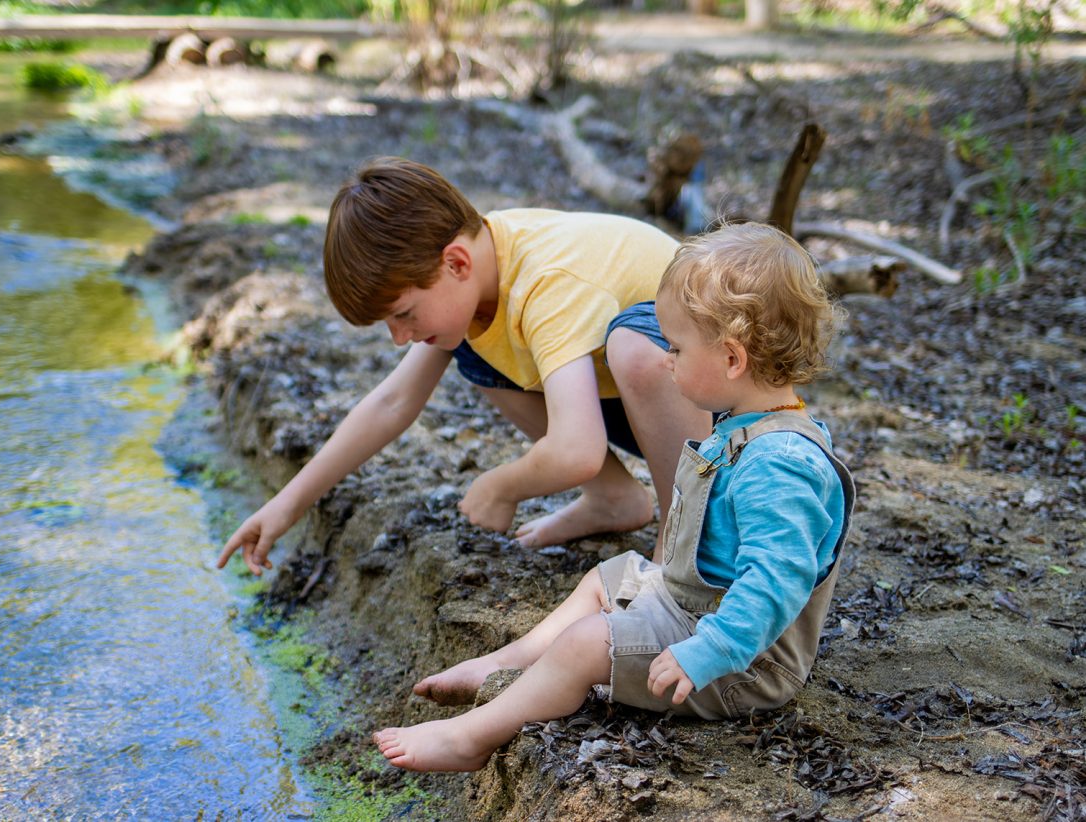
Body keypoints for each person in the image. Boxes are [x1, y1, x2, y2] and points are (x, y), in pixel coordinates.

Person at [372, 221, 855, 772]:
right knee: (608, 578)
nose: (666, 359)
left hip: (742, 665)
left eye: (675, 347)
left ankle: (471, 738)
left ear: (731, 359)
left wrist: (705, 654)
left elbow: (777, 578)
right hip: (697, 609)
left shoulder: (780, 464)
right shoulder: (748, 423)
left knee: (584, 645)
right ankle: (504, 665)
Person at [217, 157, 711, 577]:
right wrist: (287, 504)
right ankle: (613, 498)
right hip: (644, 410)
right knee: (472, 345)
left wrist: (500, 486)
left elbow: (576, 450)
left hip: (729, 415)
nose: (398, 338)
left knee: (635, 349)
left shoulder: (545, 282)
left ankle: (681, 535)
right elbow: (392, 402)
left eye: (403, 315)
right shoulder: (476, 276)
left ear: (454, 263)